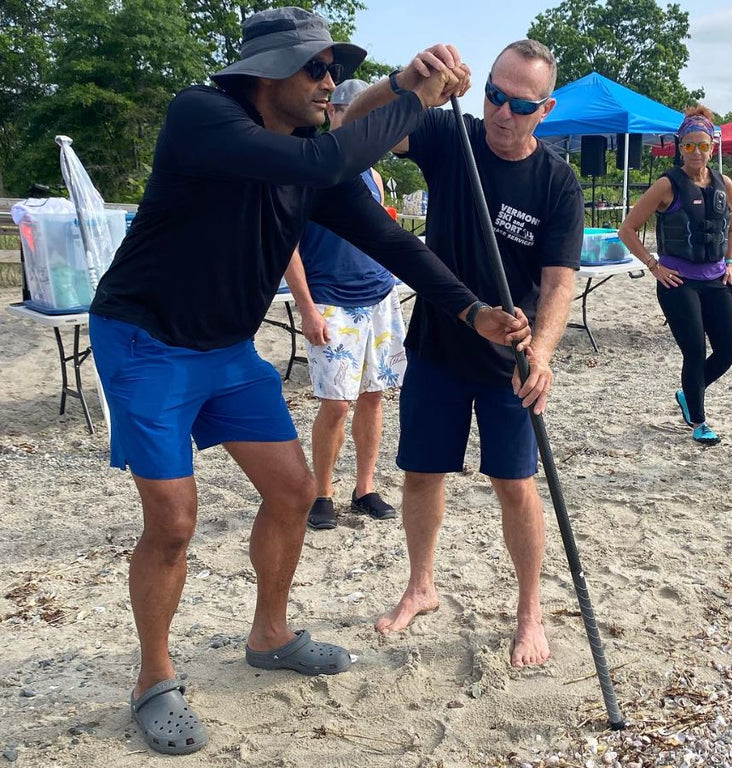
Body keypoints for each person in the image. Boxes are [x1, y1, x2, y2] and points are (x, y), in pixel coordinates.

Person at [87, 8, 529, 755]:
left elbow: (388, 237)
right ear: (265, 73)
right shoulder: (202, 115)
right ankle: (153, 679)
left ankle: (269, 634)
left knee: (294, 493)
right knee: (174, 524)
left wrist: (471, 310)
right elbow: (322, 163)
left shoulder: (311, 154)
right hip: (146, 340)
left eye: (336, 70)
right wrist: (410, 96)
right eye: (316, 69)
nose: (330, 82)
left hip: (227, 348)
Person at [345, 40, 582, 668]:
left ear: (546, 108)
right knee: (422, 472)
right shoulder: (454, 136)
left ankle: (529, 609)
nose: (503, 113)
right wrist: (404, 82)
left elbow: (560, 283)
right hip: (439, 344)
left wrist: (546, 353)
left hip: (511, 357)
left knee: (515, 483)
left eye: (521, 104)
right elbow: (354, 125)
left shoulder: (557, 181)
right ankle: (421, 586)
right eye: (495, 96)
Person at [284, 79, 405, 529]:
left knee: (374, 396)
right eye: (349, 114)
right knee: (336, 403)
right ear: (331, 113)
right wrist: (307, 307)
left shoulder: (372, 174)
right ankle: (323, 493)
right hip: (332, 299)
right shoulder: (309, 168)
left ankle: (364, 487)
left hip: (378, 294)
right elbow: (287, 246)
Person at [619, 106, 732, 446]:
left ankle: (689, 393)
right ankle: (699, 421)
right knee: (694, 350)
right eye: (689, 146)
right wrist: (654, 265)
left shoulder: (724, 183)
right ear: (679, 146)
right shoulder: (666, 185)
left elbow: (731, 229)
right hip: (678, 282)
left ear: (713, 147)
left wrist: (730, 262)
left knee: (730, 349)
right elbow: (627, 229)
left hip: (717, 278)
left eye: (703, 146)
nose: (697, 153)